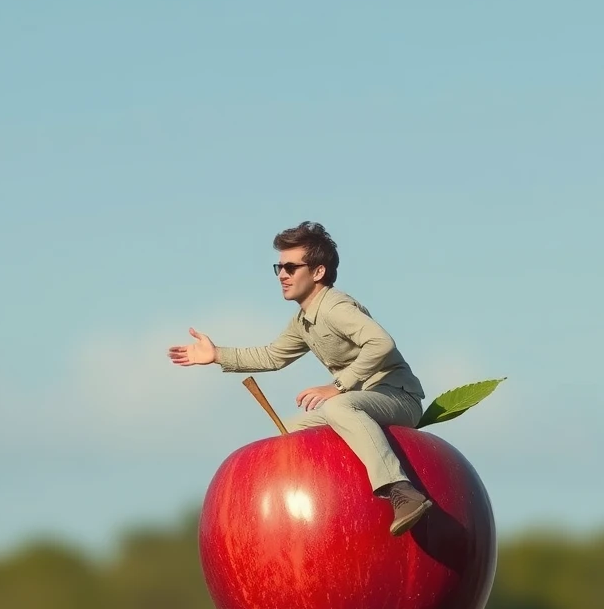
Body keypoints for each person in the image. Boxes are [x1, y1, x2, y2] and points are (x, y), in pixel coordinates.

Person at [167, 221, 432, 536]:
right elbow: (273, 356)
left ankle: (402, 491)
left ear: (318, 272)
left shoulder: (335, 307)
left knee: (338, 408)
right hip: (362, 401)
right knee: (290, 433)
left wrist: (337, 386)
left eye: (291, 267)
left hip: (397, 398)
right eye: (279, 267)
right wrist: (217, 355)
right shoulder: (303, 321)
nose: (282, 274)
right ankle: (306, 514)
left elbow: (381, 343)